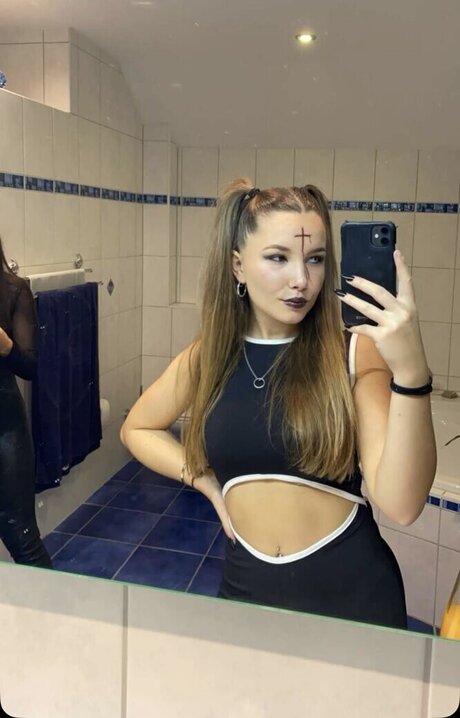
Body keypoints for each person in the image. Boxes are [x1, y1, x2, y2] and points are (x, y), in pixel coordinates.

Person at [121, 180, 436, 628]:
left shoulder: (351, 352)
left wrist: (411, 375)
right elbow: (137, 428)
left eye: (315, 259)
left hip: (352, 596)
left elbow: (402, 505)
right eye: (278, 258)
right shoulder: (210, 355)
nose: (301, 280)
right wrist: (206, 482)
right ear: (238, 266)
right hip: (247, 587)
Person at [0, 239, 52, 568]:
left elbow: (30, 367)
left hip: (5, 432)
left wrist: (6, 346)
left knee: (23, 539)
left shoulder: (14, 291)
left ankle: (49, 604)